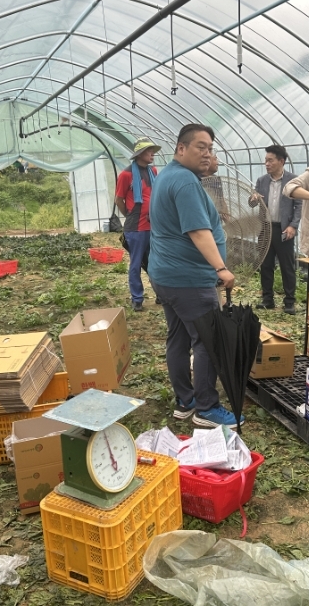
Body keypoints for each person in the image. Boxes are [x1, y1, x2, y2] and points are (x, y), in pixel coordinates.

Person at [149, 123, 242, 429]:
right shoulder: (186, 183)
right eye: (200, 147)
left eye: (210, 148)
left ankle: (185, 400)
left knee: (178, 337)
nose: (207, 154)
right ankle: (206, 408)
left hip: (165, 274)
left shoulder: (167, 176)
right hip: (188, 278)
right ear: (181, 148)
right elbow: (198, 231)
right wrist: (221, 268)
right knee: (206, 340)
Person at [250, 145, 302, 314]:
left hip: (284, 228)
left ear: (281, 161)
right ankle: (267, 299)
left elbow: (299, 205)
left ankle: (289, 302)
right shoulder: (262, 180)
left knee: (287, 266)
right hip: (266, 228)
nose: (267, 164)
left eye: (270, 160)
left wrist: (293, 226)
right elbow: (252, 203)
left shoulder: (293, 181)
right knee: (266, 265)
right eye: (265, 161)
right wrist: (253, 198)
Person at [114, 139, 159, 312]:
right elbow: (119, 199)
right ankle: (137, 298)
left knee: (155, 262)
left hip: (153, 225)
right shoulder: (126, 175)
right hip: (136, 228)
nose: (152, 154)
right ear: (140, 154)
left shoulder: (153, 171)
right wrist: (130, 215)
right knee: (136, 263)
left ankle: (160, 294)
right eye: (150, 151)